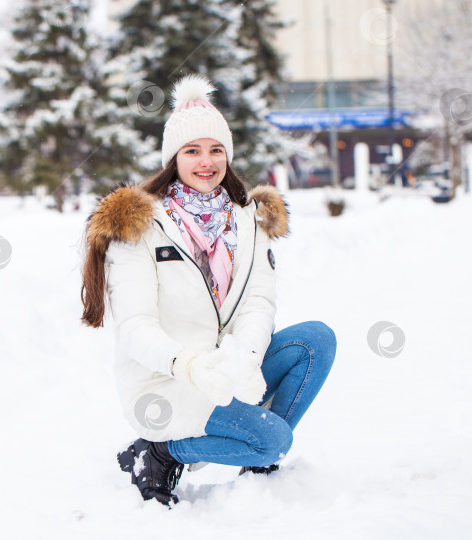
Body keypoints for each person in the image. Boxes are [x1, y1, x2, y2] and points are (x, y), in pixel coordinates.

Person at [80, 75, 336, 507]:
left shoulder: (249, 221)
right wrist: (190, 365)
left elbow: (258, 301)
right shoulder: (140, 228)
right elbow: (136, 328)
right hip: (167, 381)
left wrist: (249, 358)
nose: (206, 161)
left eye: (216, 149)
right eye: (192, 150)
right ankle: (160, 452)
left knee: (315, 341)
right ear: (173, 158)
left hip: (226, 367)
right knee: (274, 438)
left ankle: (255, 455)